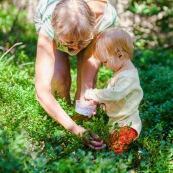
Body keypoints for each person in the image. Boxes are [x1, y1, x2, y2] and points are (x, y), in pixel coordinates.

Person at [34, 0, 116, 149]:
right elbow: (41, 90)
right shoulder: (49, 25)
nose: (75, 48)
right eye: (70, 43)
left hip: (90, 29)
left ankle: (82, 127)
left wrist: (87, 96)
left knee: (85, 93)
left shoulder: (105, 18)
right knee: (60, 79)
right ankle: (63, 127)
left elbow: (88, 59)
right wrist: (73, 128)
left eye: (81, 43)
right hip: (57, 23)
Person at [84, 27, 143, 154]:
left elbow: (115, 94)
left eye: (105, 61)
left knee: (117, 149)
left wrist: (92, 94)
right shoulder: (121, 72)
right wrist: (102, 103)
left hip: (127, 124)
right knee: (110, 146)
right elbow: (116, 96)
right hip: (116, 123)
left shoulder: (128, 77)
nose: (104, 65)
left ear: (120, 55)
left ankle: (123, 164)